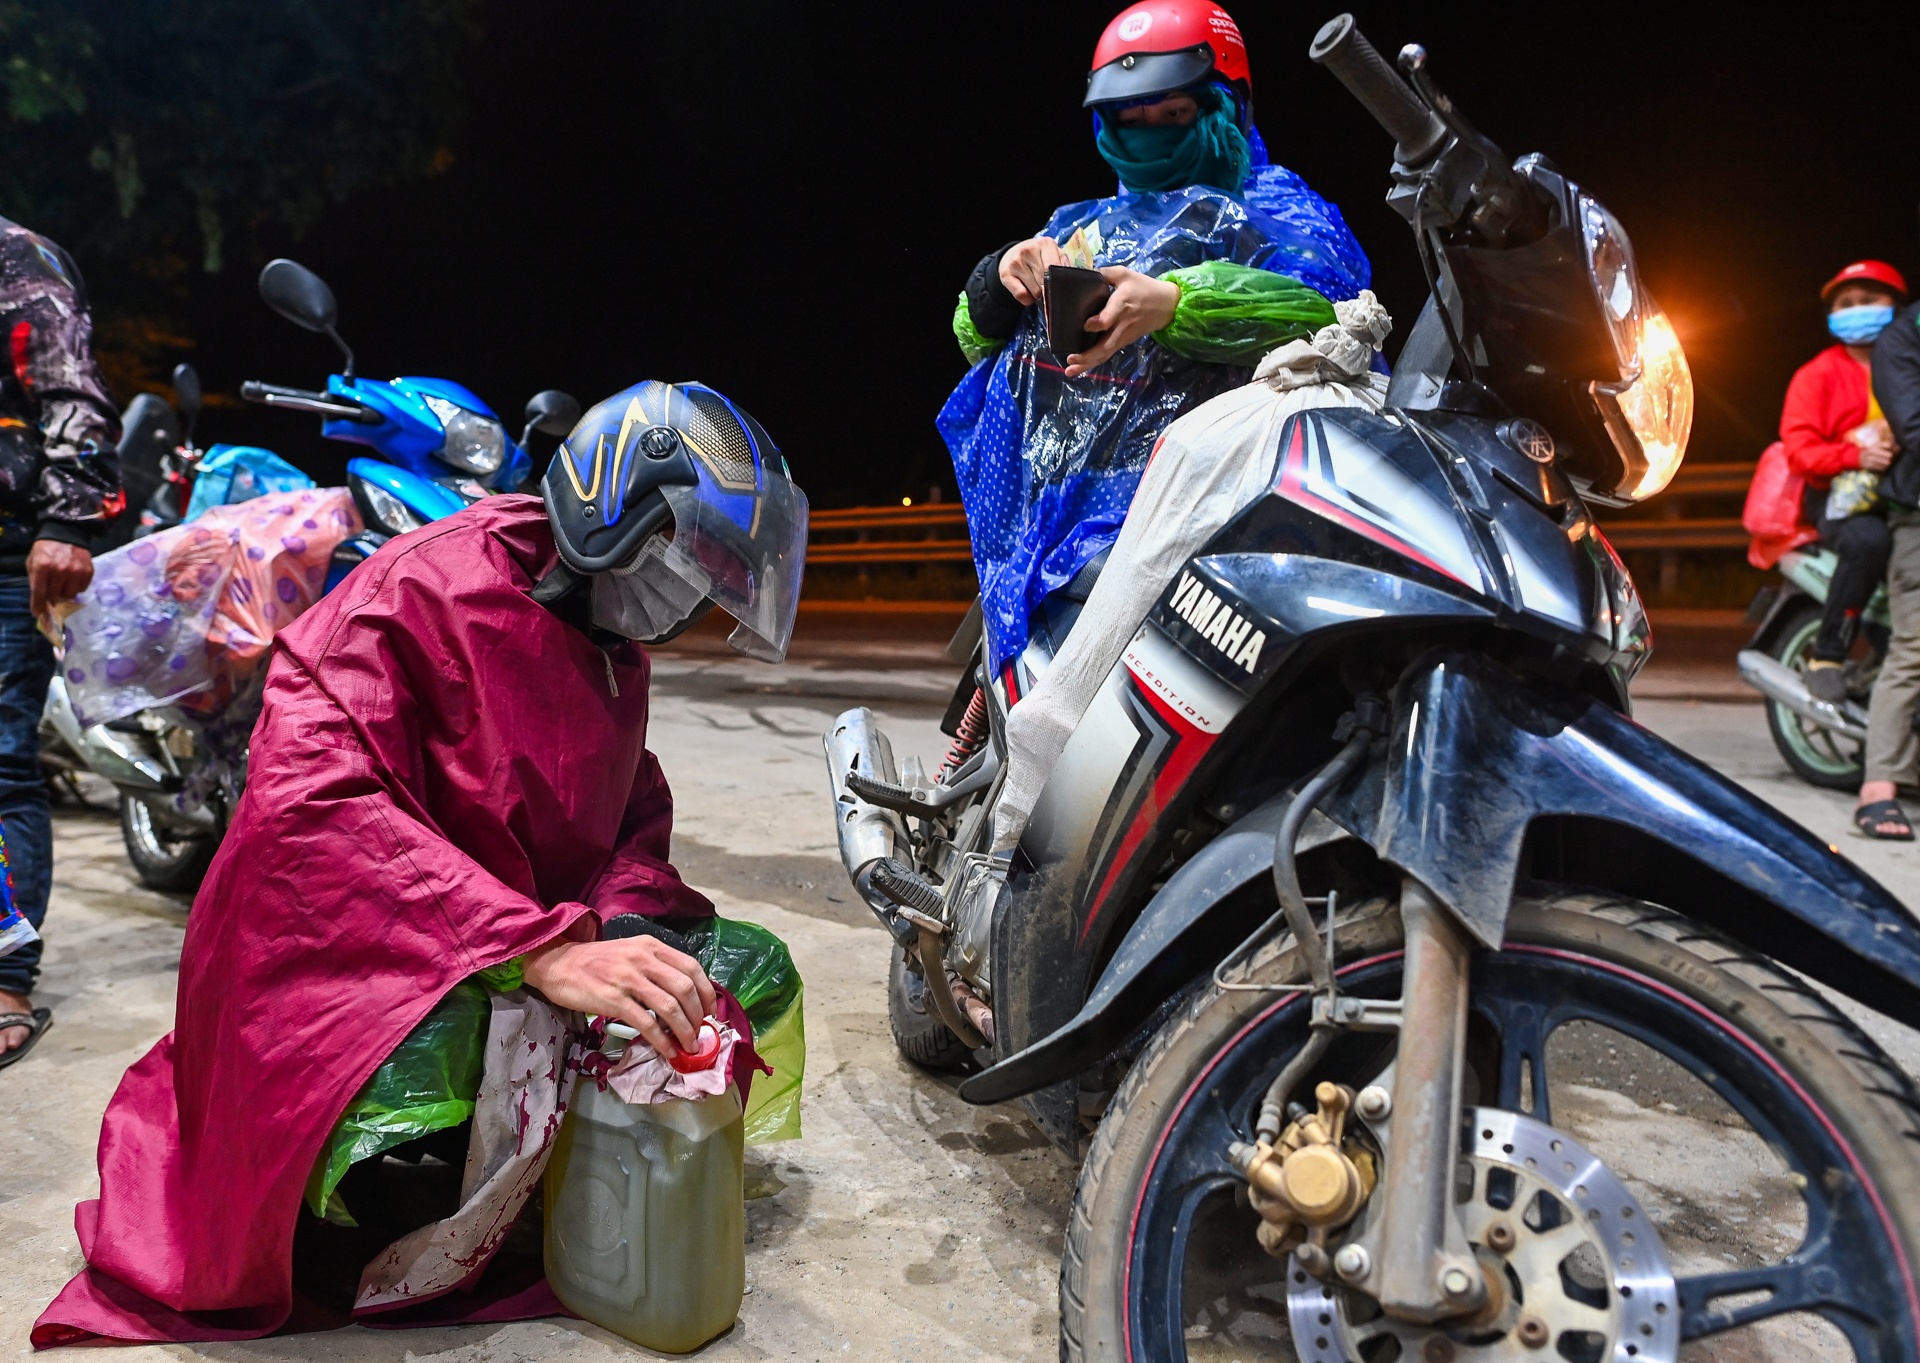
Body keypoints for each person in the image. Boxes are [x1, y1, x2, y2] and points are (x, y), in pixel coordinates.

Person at [33, 380, 808, 1344]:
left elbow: (627, 819)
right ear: (612, 511)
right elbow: (318, 809)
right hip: (356, 956)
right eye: (684, 566)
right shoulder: (423, 588)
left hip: (517, 936)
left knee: (742, 967)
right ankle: (369, 1215)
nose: (686, 602)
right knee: (436, 1055)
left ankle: (542, 1166)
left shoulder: (613, 642)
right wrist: (538, 951)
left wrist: (615, 925)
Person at [940, 1, 1371, 674]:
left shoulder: (1278, 209)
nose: (1151, 137)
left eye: (1174, 114)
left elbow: (1332, 313)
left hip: (1217, 525)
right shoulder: (1086, 224)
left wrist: (1177, 303)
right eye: (1129, 120)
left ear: (1228, 103)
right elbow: (980, 340)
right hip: (1064, 533)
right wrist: (1001, 278)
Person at [0, 216, 124, 1067]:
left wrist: (64, 520)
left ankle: (4, 977)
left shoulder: (18, 257)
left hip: (10, 551)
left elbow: (72, 391)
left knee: (1, 758)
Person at [1779, 260, 1907, 703]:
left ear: (1897, 306)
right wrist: (1855, 455)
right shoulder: (1816, 375)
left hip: (1902, 494)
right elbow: (1798, 451)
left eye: (1870, 301)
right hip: (1836, 499)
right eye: (1846, 304)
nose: (1858, 309)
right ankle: (1828, 654)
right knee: (1869, 541)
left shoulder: (1907, 366)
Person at [1859, 275, 1920, 839]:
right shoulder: (1902, 341)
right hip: (1916, 513)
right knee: (1915, 648)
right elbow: (1916, 429)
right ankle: (1879, 787)